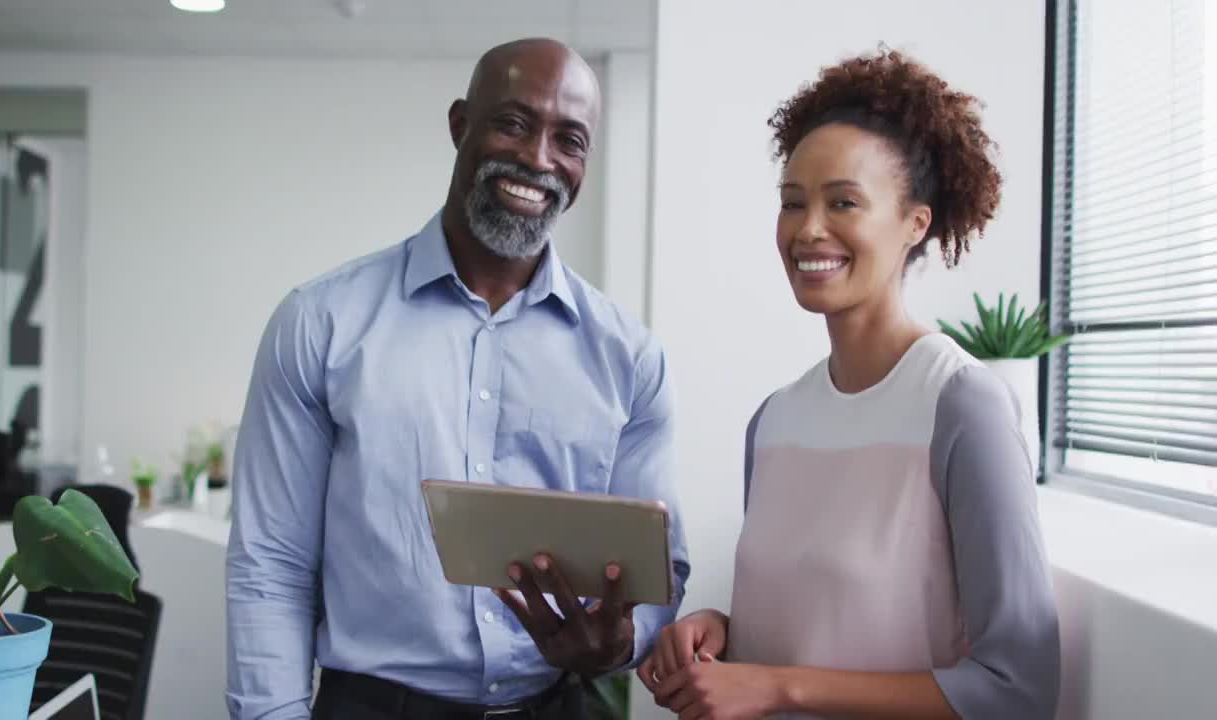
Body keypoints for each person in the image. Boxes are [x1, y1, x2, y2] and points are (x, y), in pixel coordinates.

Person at [225, 37, 690, 720]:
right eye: (513, 123)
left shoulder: (630, 358)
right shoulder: (320, 323)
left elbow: (658, 576)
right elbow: (270, 564)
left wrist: (622, 644)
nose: (538, 159)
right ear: (459, 125)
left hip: (554, 704)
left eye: (570, 139)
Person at [639, 48, 1060, 719]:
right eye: (792, 203)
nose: (809, 229)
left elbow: (1018, 688)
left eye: (844, 202)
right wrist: (723, 634)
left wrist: (778, 685)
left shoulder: (961, 407)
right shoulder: (774, 421)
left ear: (915, 223)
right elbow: (826, 623)